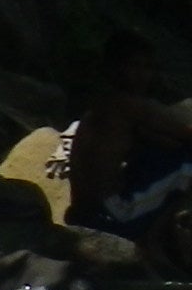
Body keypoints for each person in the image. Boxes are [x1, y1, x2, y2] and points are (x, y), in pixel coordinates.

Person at [68, 32, 192, 269]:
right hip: (109, 217)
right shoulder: (127, 105)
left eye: (147, 68)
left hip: (86, 213)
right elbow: (184, 134)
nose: (142, 75)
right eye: (134, 66)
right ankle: (150, 244)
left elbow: (165, 142)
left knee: (164, 155)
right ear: (115, 68)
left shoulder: (103, 106)